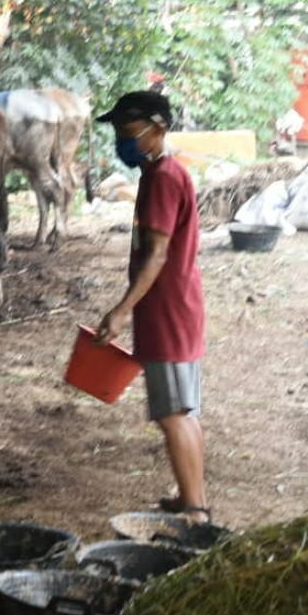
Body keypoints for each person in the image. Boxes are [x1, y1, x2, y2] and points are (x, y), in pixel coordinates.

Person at [94, 90, 209, 522]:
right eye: (119, 133)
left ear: (158, 129)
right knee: (183, 411)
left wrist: (122, 309)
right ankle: (190, 495)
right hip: (176, 304)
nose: (123, 142)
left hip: (166, 309)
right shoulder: (162, 173)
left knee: (172, 414)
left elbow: (157, 255)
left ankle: (195, 512)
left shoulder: (162, 179)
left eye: (129, 132)